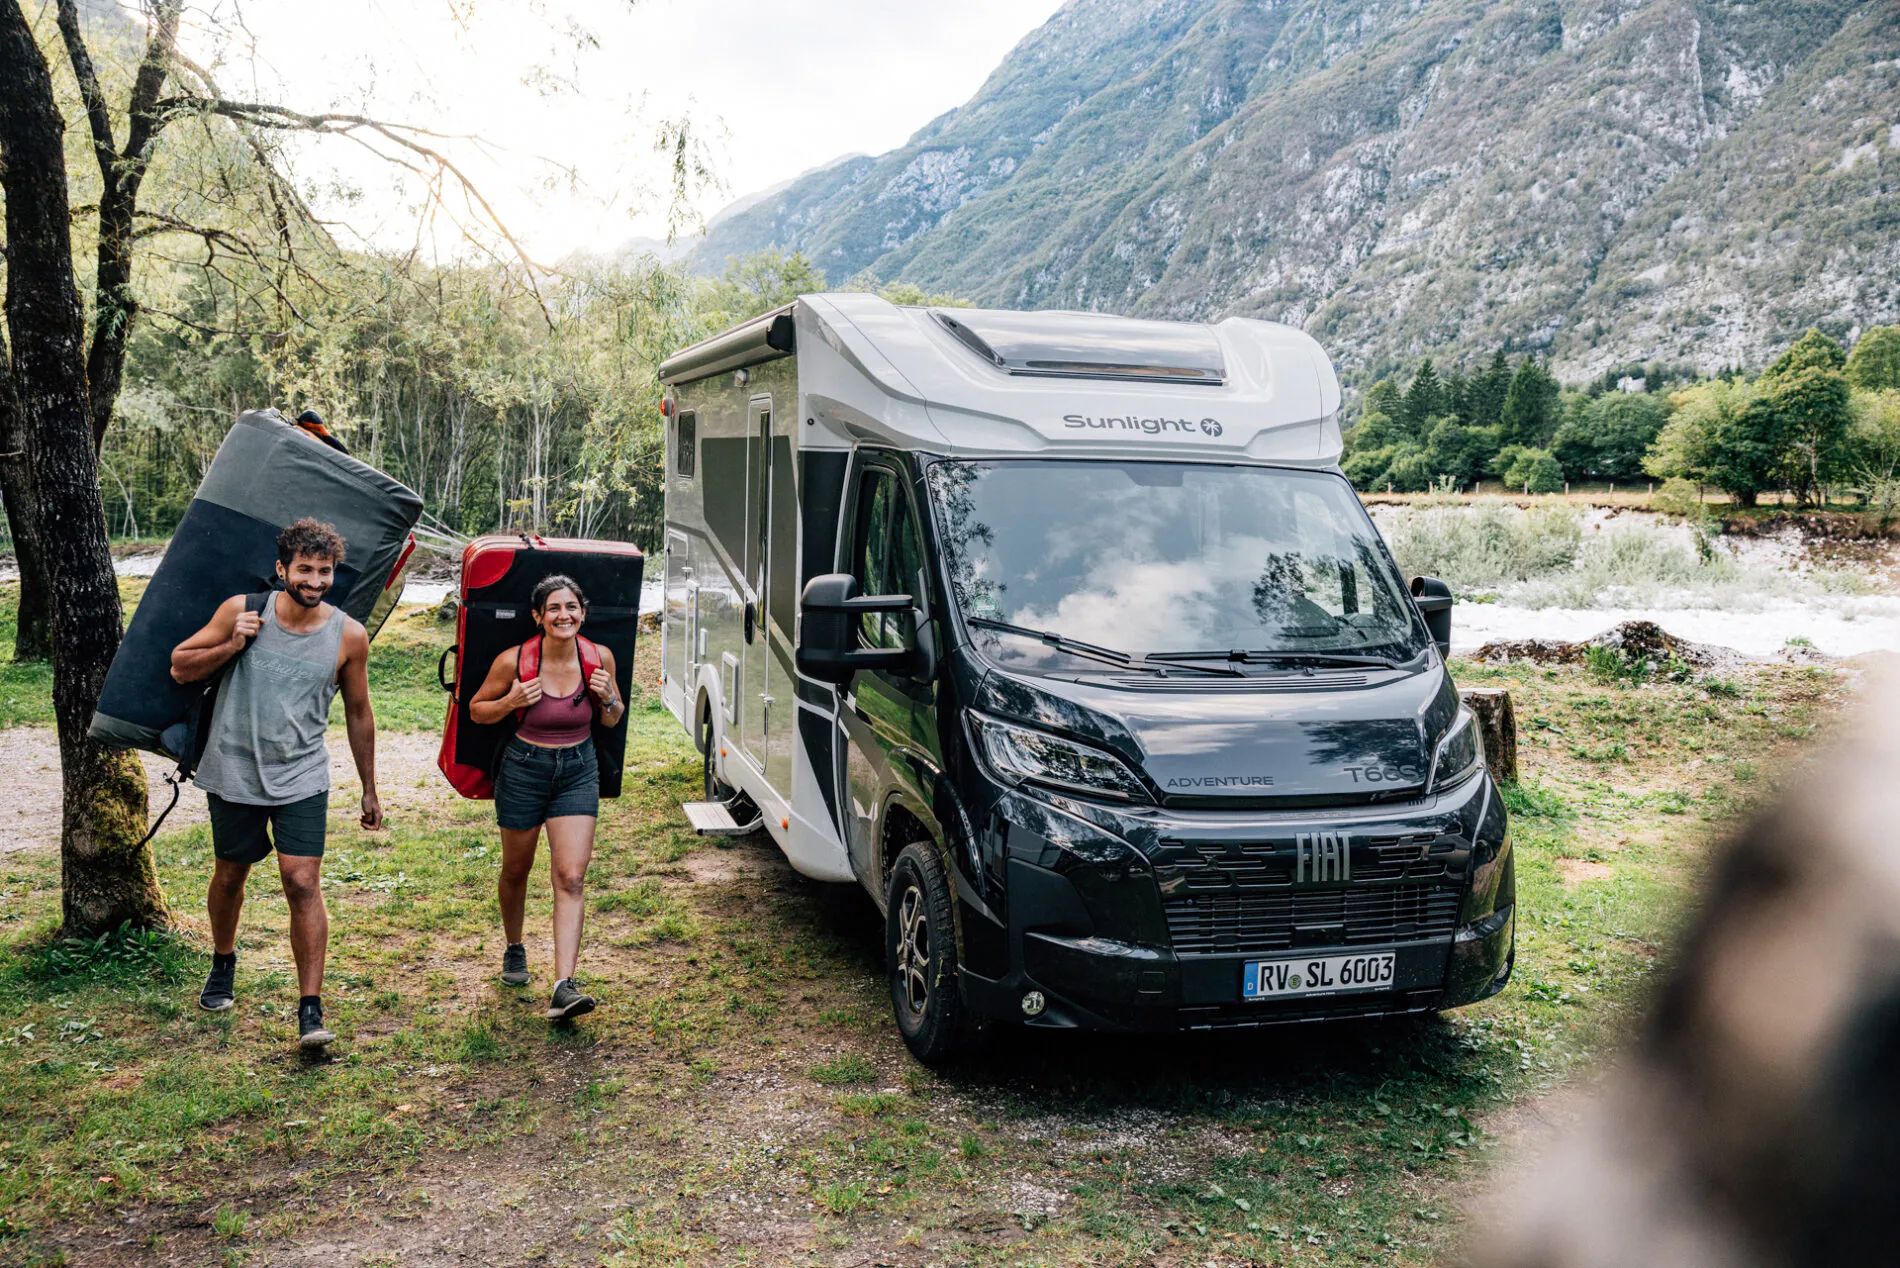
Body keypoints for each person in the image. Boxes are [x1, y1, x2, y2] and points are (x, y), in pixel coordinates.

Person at [171, 518, 383, 1049]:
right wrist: (232, 645)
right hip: (234, 769)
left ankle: (310, 1008)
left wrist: (369, 787)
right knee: (230, 877)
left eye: (325, 571)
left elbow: (359, 712)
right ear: (281, 569)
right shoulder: (243, 611)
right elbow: (179, 666)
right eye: (305, 569)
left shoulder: (349, 635)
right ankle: (224, 960)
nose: (315, 580)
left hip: (302, 773)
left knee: (303, 882)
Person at [468, 574, 623, 1022]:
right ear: (538, 617)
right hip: (523, 768)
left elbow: (612, 720)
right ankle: (515, 947)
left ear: (583, 612)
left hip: (578, 768)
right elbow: (478, 710)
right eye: (553, 608)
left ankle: (564, 986)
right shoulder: (513, 661)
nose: (564, 615)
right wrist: (511, 699)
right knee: (517, 870)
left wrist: (610, 698)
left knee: (572, 876)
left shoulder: (599, 657)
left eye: (571, 606)